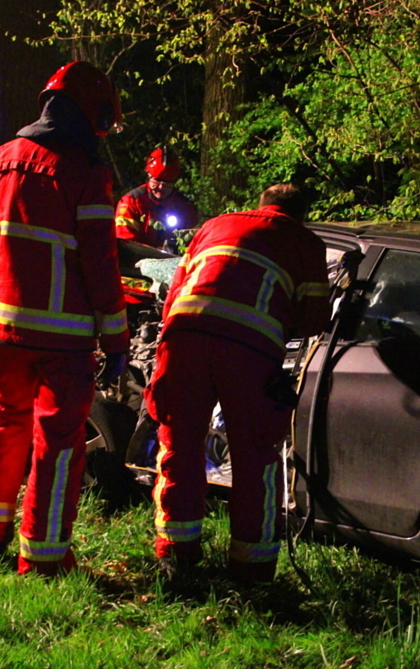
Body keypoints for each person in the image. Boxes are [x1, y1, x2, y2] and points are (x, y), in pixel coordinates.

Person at [0, 61, 130, 577]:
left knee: (4, 425)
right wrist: (116, 336)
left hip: (3, 330)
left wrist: (8, 280)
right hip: (65, 341)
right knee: (57, 446)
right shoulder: (86, 174)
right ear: (90, 114)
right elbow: (101, 264)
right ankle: (44, 557)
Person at [144, 183, 330, 583]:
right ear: (299, 214)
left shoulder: (215, 225)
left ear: (261, 205)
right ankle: (251, 569)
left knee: (179, 446)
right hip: (249, 350)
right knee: (255, 456)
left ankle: (176, 557)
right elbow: (315, 319)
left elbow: (176, 291)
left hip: (185, 339)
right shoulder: (306, 243)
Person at [115, 146, 199, 249]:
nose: (161, 187)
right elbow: (125, 243)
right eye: (157, 181)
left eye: (167, 183)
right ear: (148, 175)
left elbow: (194, 242)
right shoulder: (132, 202)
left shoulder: (185, 206)